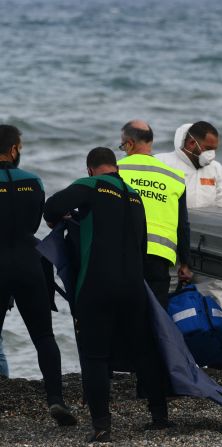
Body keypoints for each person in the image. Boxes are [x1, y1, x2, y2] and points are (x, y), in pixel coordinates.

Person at [44, 147, 172, 442]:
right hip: (133, 286)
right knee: (144, 351)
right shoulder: (134, 196)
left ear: (90, 169)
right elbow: (142, 245)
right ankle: (159, 417)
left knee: (95, 355)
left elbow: (50, 207)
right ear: (116, 167)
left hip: (96, 285)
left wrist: (60, 218)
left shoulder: (90, 185)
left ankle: (102, 426)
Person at [0, 124, 76, 425]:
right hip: (30, 264)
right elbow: (38, 223)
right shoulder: (34, 181)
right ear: (15, 149)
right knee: (44, 336)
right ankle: (56, 400)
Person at [155, 121, 222, 371]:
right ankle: (168, 354)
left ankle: (218, 352)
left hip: (206, 246)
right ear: (190, 142)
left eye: (214, 148)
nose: (211, 153)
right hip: (170, 245)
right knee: (168, 297)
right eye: (207, 147)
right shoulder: (162, 163)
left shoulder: (215, 169)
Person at [117, 120, 193, 307]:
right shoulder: (174, 177)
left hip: (124, 252)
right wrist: (185, 263)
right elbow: (182, 224)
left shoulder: (116, 171)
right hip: (160, 257)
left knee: (124, 314)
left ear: (129, 144)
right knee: (155, 316)